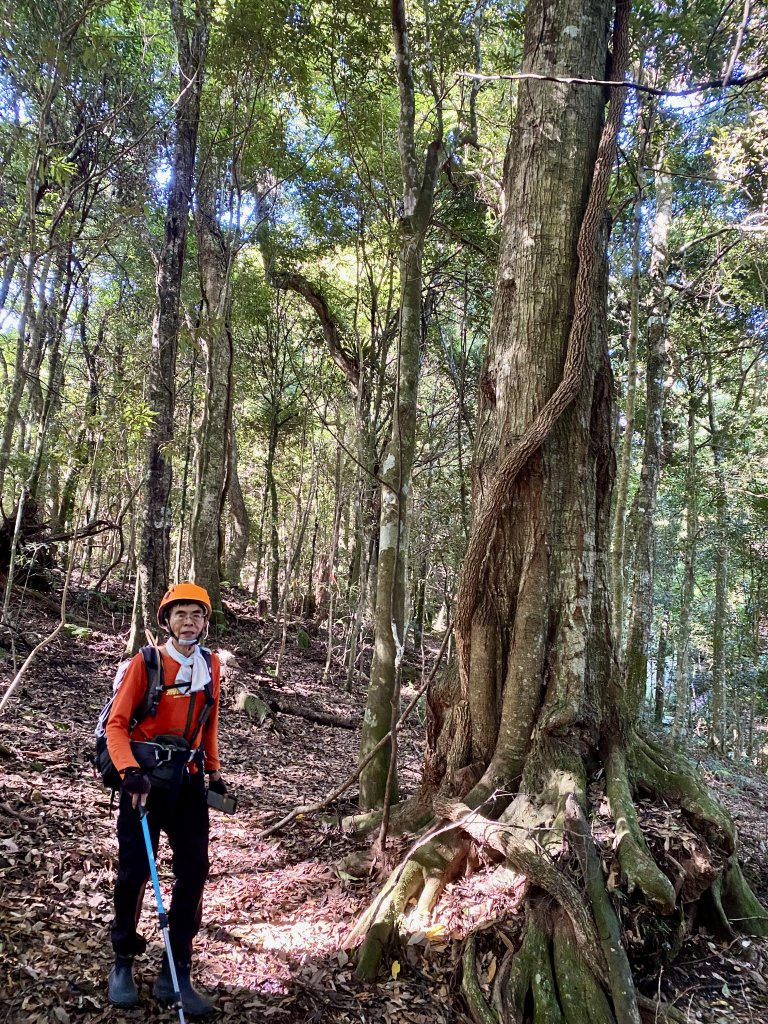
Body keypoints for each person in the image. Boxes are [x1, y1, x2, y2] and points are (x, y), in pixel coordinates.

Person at [105, 582, 228, 1016]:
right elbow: (116, 725)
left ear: (205, 622)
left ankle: (175, 969)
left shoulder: (210, 665)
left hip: (188, 782)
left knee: (194, 872)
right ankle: (123, 961)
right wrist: (130, 774)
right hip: (142, 785)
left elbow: (207, 721)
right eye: (181, 614)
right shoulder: (148, 661)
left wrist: (213, 770)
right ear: (167, 620)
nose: (189, 621)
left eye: (197, 614)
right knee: (136, 871)